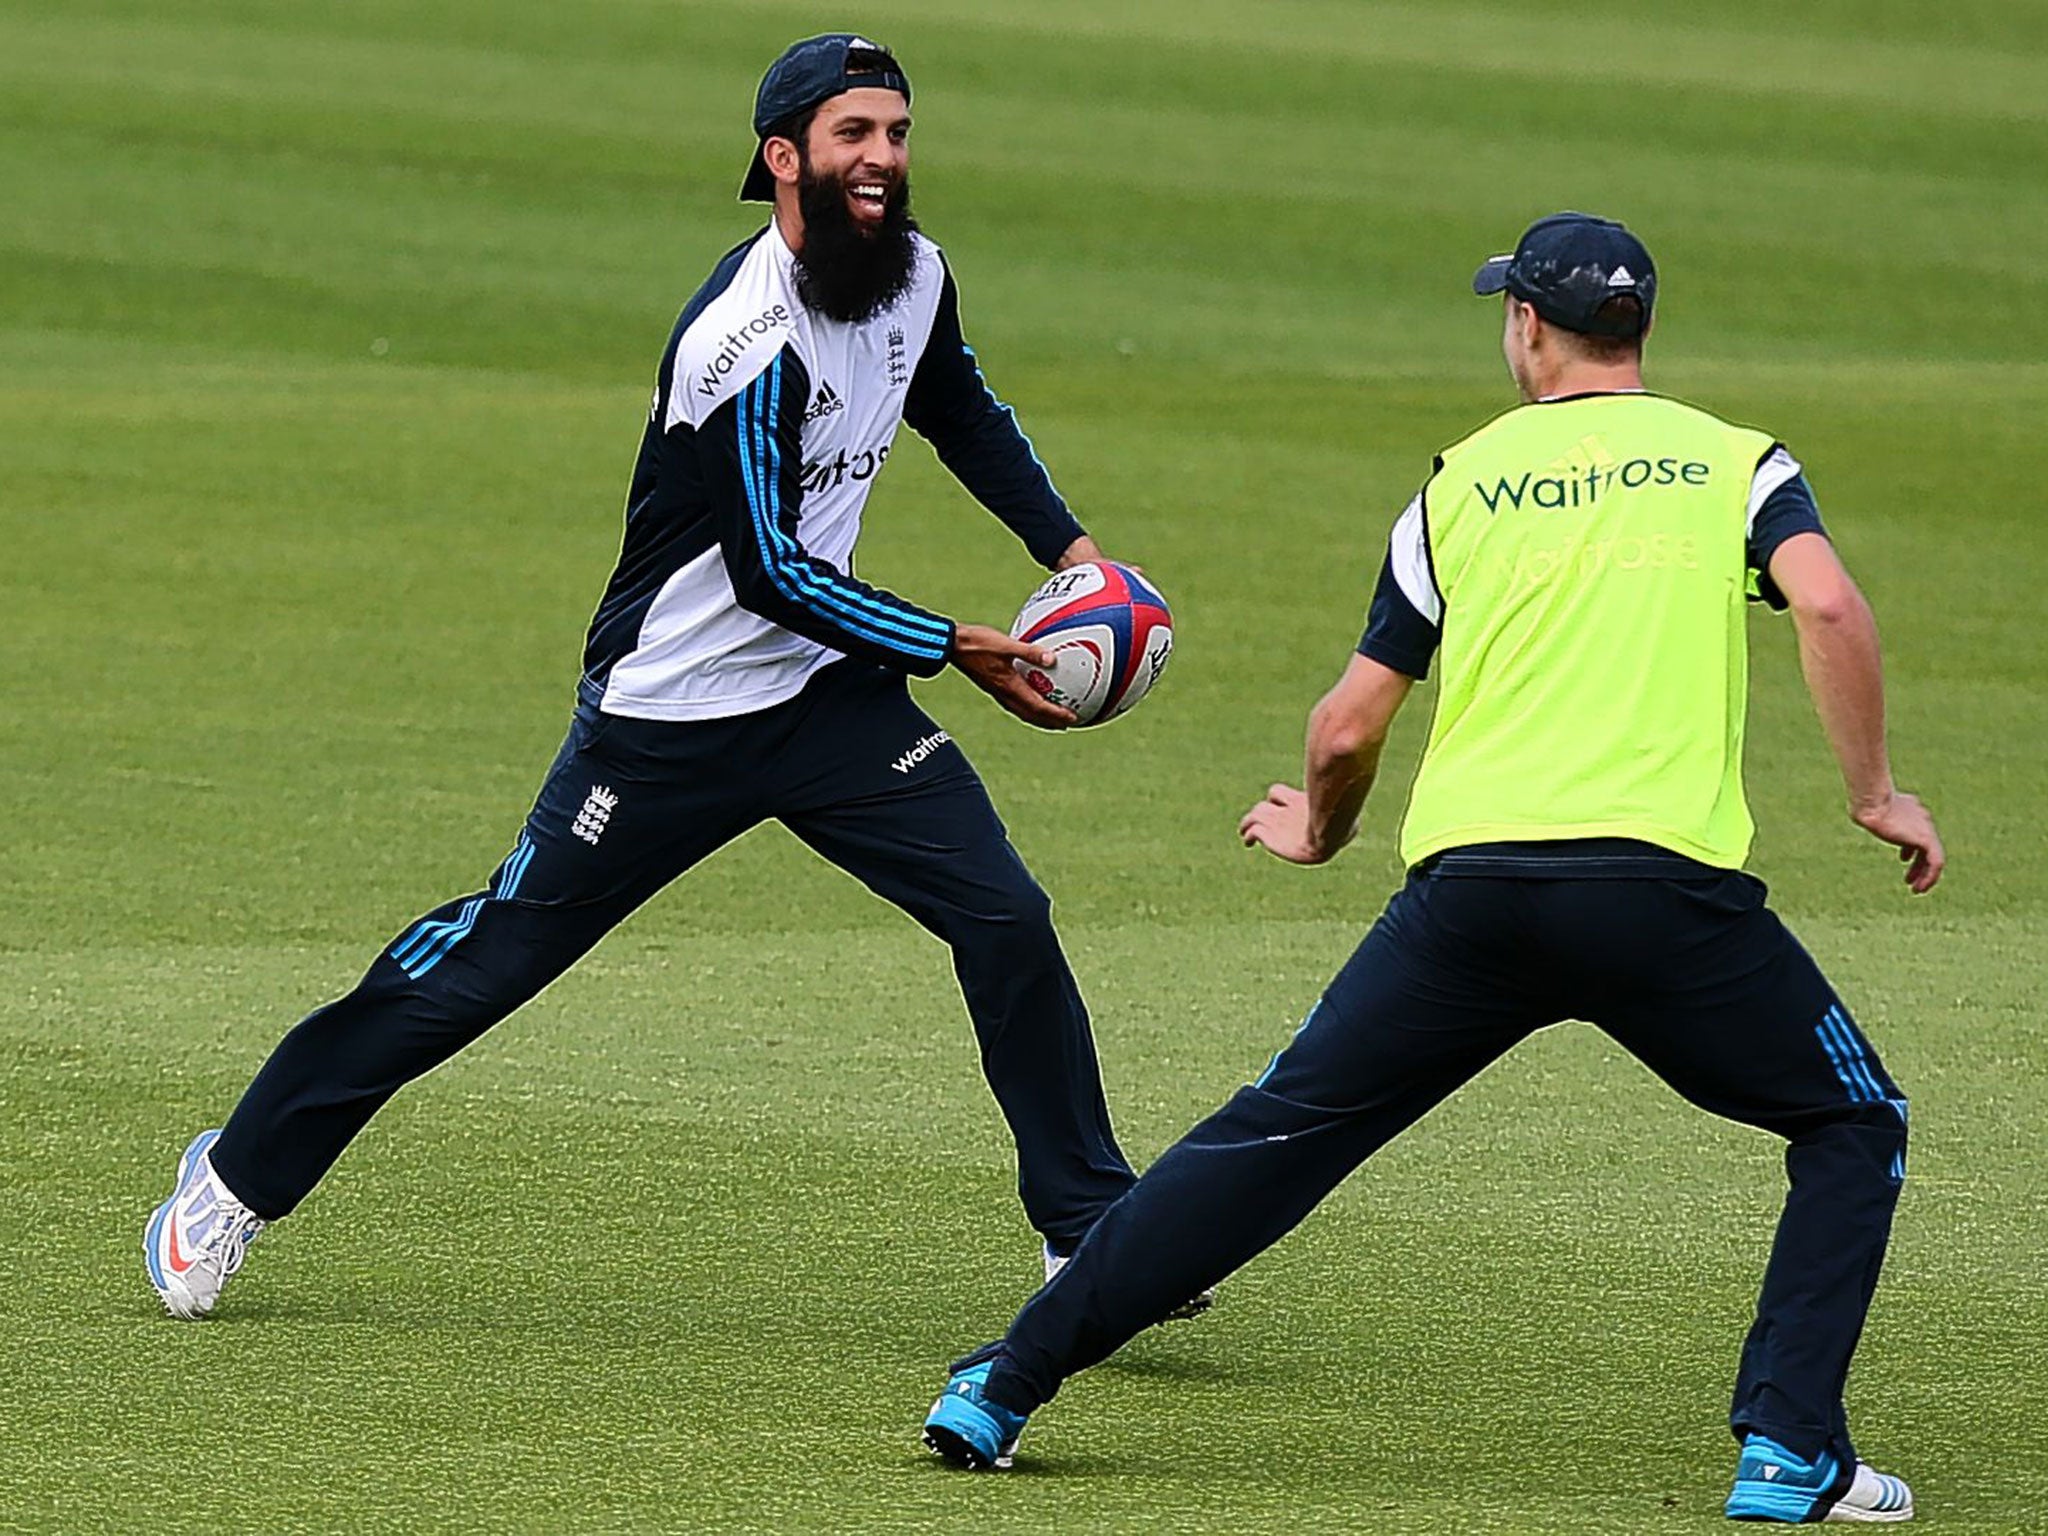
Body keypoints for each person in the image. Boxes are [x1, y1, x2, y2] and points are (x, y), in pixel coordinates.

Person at [921, 213, 1940, 1525]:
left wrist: (1319, 828)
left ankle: (1004, 1382)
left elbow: (1347, 726)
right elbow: (1831, 605)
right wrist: (1875, 794)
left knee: (1271, 1141)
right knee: (1854, 1123)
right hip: (1661, 897)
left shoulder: (1460, 487)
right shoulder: (1737, 465)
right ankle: (1790, 1448)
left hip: (1474, 900)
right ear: (1636, 329)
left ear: (1526, 325)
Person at [144, 33, 1147, 1322]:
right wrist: (953, 644)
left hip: (826, 700)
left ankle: (1088, 1229)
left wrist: (1072, 556)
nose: (883, 158)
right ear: (782, 157)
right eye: (853, 135)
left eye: (897, 133)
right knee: (487, 966)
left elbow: (956, 405)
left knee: (1004, 916)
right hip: (669, 720)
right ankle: (232, 1178)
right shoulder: (744, 343)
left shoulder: (916, 275)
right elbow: (771, 570)